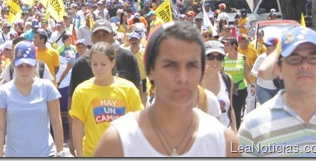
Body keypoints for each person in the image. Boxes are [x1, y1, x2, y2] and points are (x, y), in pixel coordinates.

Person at [93, 21, 238, 157]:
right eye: (170, 65)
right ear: (150, 71)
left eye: (192, 65)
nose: (182, 77)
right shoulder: (118, 143)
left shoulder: (224, 143)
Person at [238, 27, 316, 156]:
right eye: (294, 59)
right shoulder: (253, 125)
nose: (305, 65)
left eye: (313, 58)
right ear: (279, 68)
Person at [67, 18, 141, 156]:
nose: (99, 68)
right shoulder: (81, 74)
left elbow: (138, 118)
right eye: (95, 64)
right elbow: (74, 112)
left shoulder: (128, 68)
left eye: (105, 34)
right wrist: (75, 144)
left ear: (113, 63)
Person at [0, 41, 65, 157]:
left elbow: (56, 121)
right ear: (14, 65)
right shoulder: (3, 91)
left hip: (45, 154)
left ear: (35, 65)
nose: (24, 70)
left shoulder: (47, 88)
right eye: (20, 66)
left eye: (29, 66)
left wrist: (60, 152)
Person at [201, 40, 236, 131]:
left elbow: (230, 108)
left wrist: (234, 131)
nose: (215, 61)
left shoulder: (227, 79)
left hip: (224, 137)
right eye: (210, 56)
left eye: (219, 57)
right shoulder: (195, 80)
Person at [222, 37, 253, 130]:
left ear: (234, 46)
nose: (225, 46)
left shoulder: (242, 58)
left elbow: (247, 73)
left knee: (236, 112)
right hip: (226, 89)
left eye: (227, 44)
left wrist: (252, 85)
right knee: (226, 111)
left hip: (240, 89)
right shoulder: (223, 58)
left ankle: (236, 132)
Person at [252, 37, 280, 105]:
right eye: (266, 45)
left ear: (276, 46)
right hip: (263, 88)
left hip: (278, 88)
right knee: (266, 109)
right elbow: (253, 71)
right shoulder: (262, 57)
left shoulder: (281, 57)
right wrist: (260, 75)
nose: (266, 47)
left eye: (269, 45)